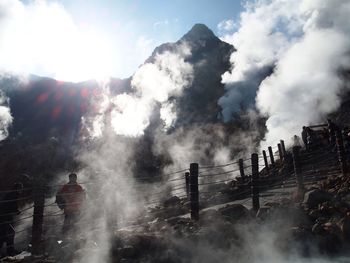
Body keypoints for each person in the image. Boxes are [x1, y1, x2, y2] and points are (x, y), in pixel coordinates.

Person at [0, 182, 23, 256]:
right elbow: (10, 206)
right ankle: (10, 251)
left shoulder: (11, 194)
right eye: (21, 189)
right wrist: (16, 211)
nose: (21, 190)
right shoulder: (13, 195)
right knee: (5, 234)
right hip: (4, 218)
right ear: (18, 188)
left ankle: (10, 250)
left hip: (5, 218)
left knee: (8, 234)